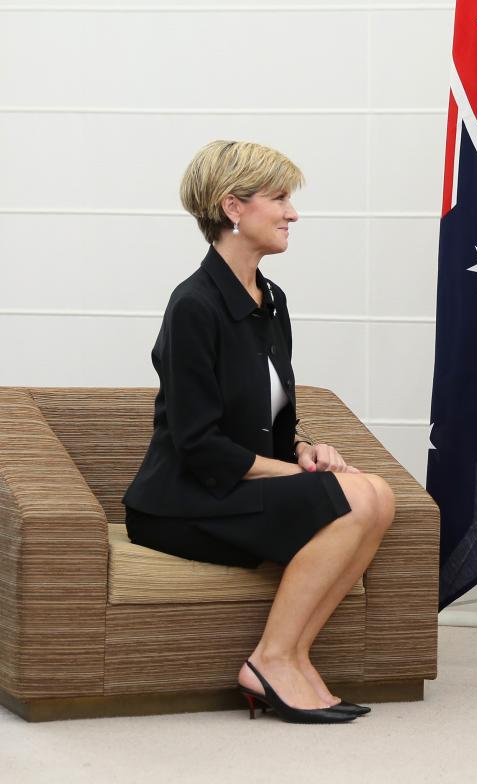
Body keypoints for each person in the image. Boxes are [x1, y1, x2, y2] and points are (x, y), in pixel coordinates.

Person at [123, 140, 396, 724]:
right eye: (279, 198)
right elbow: (200, 445)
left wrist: (304, 448)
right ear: (233, 208)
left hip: (237, 484)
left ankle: (294, 655)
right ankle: (269, 660)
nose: (292, 213)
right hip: (183, 501)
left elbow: (273, 418)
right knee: (352, 496)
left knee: (378, 495)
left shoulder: (270, 299)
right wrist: (295, 472)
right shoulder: (193, 307)